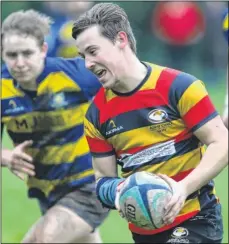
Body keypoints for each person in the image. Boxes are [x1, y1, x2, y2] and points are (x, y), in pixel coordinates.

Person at [72, 3, 228, 243]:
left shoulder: (179, 87)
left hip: (196, 219)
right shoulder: (96, 114)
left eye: (93, 51)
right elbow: (102, 179)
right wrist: (118, 191)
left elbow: (221, 143)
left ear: (120, 39)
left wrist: (183, 188)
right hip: (144, 232)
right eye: (83, 56)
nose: (88, 64)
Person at [1, 9, 109, 243]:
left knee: (42, 239)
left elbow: (128, 79)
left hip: (89, 184)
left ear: (43, 50)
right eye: (11, 55)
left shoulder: (76, 75)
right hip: (48, 191)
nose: (19, 63)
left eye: (27, 53)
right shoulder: (2, 89)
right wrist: (6, 157)